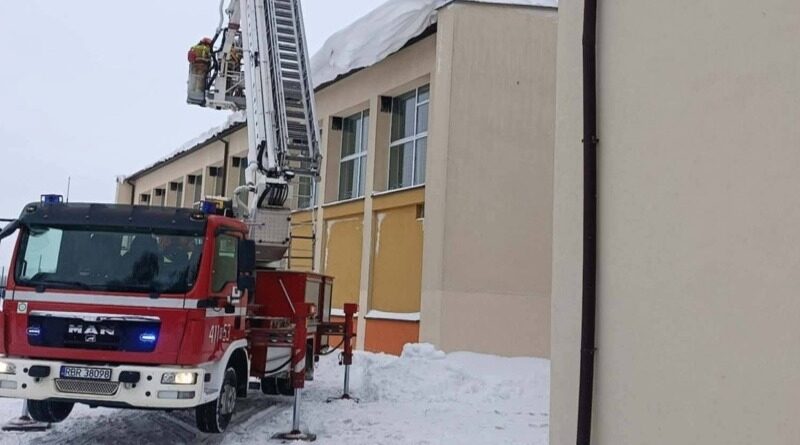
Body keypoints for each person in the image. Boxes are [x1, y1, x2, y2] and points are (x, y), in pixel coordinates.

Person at [187, 38, 213, 105]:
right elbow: (209, 58)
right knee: (200, 79)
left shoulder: (193, 47)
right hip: (202, 66)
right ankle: (199, 91)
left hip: (193, 66)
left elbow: (189, 58)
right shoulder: (206, 49)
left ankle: (192, 90)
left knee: (193, 79)